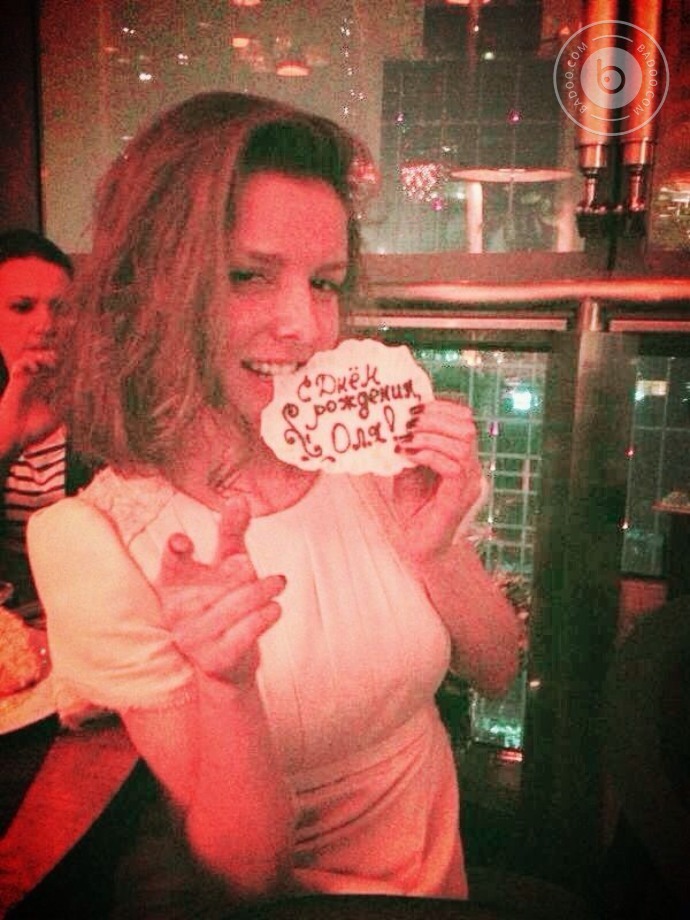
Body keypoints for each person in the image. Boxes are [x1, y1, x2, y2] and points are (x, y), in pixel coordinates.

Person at [27, 92, 520, 914]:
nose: (307, 326)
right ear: (151, 285)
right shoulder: (95, 540)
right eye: (247, 276)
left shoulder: (372, 460)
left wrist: (433, 550)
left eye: (324, 283)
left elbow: (497, 670)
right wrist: (227, 687)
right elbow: (246, 876)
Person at [0, 228, 91, 608]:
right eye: (23, 307)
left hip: (85, 611)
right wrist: (6, 440)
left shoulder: (104, 406)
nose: (46, 324)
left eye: (61, 308)